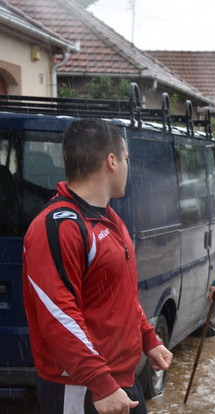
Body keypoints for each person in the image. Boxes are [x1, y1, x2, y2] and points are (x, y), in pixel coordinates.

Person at [22, 118, 172, 414]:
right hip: (83, 388)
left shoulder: (109, 220)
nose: (129, 167)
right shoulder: (58, 227)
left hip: (119, 381)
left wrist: (147, 338)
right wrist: (100, 382)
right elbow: (58, 316)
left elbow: (119, 295)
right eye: (127, 158)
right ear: (112, 161)